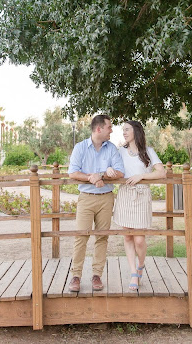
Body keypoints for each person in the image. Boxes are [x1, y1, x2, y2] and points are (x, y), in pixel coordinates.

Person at [68, 114, 125, 292]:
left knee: (102, 237)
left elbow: (120, 172)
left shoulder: (112, 148)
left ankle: (96, 275)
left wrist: (99, 176)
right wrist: (91, 178)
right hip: (86, 198)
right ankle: (76, 276)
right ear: (99, 129)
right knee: (81, 236)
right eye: (109, 127)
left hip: (106, 198)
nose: (112, 130)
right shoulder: (80, 148)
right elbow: (73, 173)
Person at [108, 120, 165, 291]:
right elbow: (113, 167)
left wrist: (141, 176)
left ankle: (140, 265)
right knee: (127, 236)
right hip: (125, 193)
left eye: (127, 129)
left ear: (136, 131)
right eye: (123, 130)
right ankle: (134, 273)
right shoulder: (120, 151)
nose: (124, 132)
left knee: (139, 239)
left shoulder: (148, 151)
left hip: (141, 195)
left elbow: (161, 172)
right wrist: (109, 169)